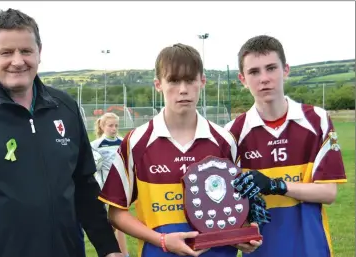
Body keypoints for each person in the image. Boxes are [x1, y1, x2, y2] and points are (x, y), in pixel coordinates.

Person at [0, 8, 123, 257]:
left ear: (40, 52)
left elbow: (84, 186)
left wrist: (108, 248)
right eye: (6, 52)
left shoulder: (65, 107)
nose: (18, 61)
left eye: (26, 51)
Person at [97, 43, 268, 257]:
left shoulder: (225, 141)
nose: (183, 89)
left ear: (202, 81)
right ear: (158, 84)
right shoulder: (136, 142)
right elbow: (116, 213)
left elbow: (246, 200)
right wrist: (162, 240)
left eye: (190, 80)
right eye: (174, 81)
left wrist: (245, 231)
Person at [226, 35, 347, 257]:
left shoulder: (317, 120)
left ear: (286, 70)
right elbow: (229, 205)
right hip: (262, 250)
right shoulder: (232, 133)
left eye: (271, 68)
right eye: (254, 72)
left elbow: (329, 192)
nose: (264, 79)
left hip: (312, 247)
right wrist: (239, 234)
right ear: (242, 79)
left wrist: (275, 185)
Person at [91, 113, 129, 257]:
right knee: (113, 222)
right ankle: (115, 252)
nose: (114, 129)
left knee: (119, 221)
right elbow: (92, 169)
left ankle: (122, 253)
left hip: (122, 189)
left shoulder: (123, 142)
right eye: (110, 125)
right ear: (102, 126)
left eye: (116, 126)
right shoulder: (95, 146)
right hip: (105, 190)